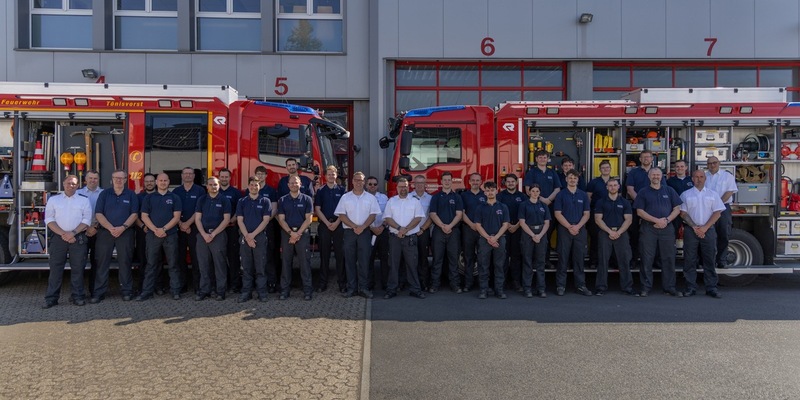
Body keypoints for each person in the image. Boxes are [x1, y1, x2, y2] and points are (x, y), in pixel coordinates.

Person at [42, 175, 92, 308]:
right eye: (69, 183)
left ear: (78, 186)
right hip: (59, 238)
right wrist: (64, 234)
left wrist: (72, 233)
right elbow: (49, 219)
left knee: (78, 269)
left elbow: (86, 220)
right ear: (63, 184)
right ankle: (51, 298)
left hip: (77, 237)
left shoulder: (84, 200)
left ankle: (78, 297)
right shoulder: (54, 200)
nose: (71, 186)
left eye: (74, 184)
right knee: (55, 269)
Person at [633, 168, 683, 297]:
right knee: (646, 258)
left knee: (668, 258)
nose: (656, 177)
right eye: (653, 174)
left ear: (662, 177)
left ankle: (669, 287)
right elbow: (640, 212)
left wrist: (666, 220)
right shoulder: (643, 192)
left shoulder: (669, 190)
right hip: (648, 228)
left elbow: (677, 209)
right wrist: (656, 220)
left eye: (658, 175)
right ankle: (645, 287)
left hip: (667, 228)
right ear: (649, 177)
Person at [92, 170, 139, 303]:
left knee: (125, 262)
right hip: (105, 232)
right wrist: (110, 228)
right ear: (111, 179)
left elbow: (134, 214)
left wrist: (122, 227)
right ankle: (99, 292)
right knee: (102, 262)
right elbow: (98, 213)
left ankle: (127, 291)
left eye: (121, 178)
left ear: (125, 180)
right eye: (116, 178)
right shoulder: (104, 194)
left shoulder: (131, 194)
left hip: (125, 232)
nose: (118, 180)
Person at [334, 172, 381, 299]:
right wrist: (355, 226)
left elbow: (373, 215)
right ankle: (352, 289)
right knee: (349, 261)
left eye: (361, 180)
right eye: (356, 180)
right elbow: (341, 215)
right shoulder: (345, 197)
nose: (358, 182)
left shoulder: (370, 198)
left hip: (365, 232)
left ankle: (364, 288)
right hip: (350, 233)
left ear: (364, 182)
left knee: (364, 261)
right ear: (352, 182)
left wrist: (363, 227)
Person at [680, 169, 725, 298]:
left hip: (708, 230)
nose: (698, 179)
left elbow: (717, 213)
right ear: (692, 179)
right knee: (689, 259)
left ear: (705, 179)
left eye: (701, 177)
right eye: (696, 177)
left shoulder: (713, 194)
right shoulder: (685, 195)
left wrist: (705, 228)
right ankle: (690, 287)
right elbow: (683, 213)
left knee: (709, 259)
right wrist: (695, 227)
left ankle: (711, 288)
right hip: (691, 230)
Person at [137, 173, 182, 301]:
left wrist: (164, 229)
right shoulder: (149, 198)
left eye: (165, 180)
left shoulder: (175, 197)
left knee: (173, 264)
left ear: (169, 182)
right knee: (151, 264)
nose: (163, 182)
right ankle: (147, 292)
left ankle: (175, 291)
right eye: (160, 180)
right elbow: (144, 216)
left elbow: (176, 217)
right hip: (153, 235)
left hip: (170, 235)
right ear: (157, 182)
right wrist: (155, 230)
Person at [382, 177, 426, 299]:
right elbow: (388, 218)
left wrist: (405, 230)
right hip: (395, 238)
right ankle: (391, 290)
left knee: (412, 265)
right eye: (401, 186)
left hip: (410, 238)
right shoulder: (391, 201)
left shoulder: (415, 201)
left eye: (405, 186)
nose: (403, 189)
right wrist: (399, 228)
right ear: (397, 188)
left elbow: (418, 218)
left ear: (409, 187)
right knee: (393, 265)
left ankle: (415, 290)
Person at [593, 178, 637, 296]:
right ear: (607, 187)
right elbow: (598, 219)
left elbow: (628, 220)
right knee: (603, 260)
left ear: (618, 187)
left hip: (621, 233)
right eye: (610, 185)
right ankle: (600, 287)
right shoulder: (601, 202)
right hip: (605, 233)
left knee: (624, 260)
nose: (612, 187)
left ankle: (627, 287)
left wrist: (618, 232)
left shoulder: (625, 202)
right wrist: (609, 231)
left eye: (614, 185)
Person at [553, 169, 592, 296]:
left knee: (579, 259)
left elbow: (586, 214)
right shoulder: (560, 195)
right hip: (565, 230)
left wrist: (578, 226)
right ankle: (560, 286)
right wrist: (569, 226)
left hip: (580, 230)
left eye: (575, 178)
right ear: (566, 179)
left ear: (578, 180)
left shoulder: (583, 195)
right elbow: (557, 214)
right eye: (570, 178)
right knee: (563, 258)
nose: (572, 180)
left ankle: (580, 285)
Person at [277, 175, 315, 300]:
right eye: (291, 183)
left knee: (305, 263)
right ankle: (284, 290)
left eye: (296, 182)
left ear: (300, 184)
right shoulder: (282, 200)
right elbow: (281, 219)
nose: (294, 185)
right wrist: (291, 233)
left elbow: (309, 219)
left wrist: (297, 233)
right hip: (287, 234)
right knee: (286, 262)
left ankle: (307, 290)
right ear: (288, 185)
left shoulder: (307, 199)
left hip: (302, 234)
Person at [193, 176, 231, 301]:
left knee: (219, 265)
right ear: (207, 186)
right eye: (210, 184)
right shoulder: (201, 200)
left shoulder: (224, 200)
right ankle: (205, 290)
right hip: (202, 236)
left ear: (218, 185)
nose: (213, 187)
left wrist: (213, 234)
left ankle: (221, 291)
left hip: (218, 236)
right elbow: (197, 218)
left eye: (215, 184)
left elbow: (226, 220)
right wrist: (204, 234)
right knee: (203, 265)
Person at [236, 176, 272, 302]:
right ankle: (246, 292)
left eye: (256, 185)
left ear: (259, 186)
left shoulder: (265, 201)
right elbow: (239, 220)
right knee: (246, 267)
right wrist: (247, 236)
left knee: (260, 267)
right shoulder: (242, 201)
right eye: (251, 185)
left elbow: (265, 220)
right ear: (248, 186)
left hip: (259, 237)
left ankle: (262, 292)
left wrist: (252, 235)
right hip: (245, 237)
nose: (253, 187)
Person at [523, 150, 561, 267]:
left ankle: (546, 260)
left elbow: (557, 189)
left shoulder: (552, 173)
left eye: (544, 157)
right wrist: (541, 199)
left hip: (550, 207)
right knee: (535, 234)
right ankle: (534, 261)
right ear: (536, 159)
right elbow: (527, 189)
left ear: (548, 159)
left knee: (547, 235)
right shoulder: (531, 172)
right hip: (535, 207)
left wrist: (549, 200)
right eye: (540, 157)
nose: (542, 159)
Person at [428, 172, 464, 293]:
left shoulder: (457, 197)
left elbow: (459, 214)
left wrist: (450, 226)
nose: (447, 182)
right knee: (437, 259)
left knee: (453, 260)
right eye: (445, 180)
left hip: (453, 231)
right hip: (439, 231)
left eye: (449, 180)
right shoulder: (436, 197)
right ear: (441, 182)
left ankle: (455, 285)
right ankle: (434, 285)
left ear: (452, 181)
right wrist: (443, 226)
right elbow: (433, 214)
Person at [474, 181, 510, 299]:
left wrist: (495, 237)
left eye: (492, 190)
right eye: (488, 190)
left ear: (496, 191)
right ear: (484, 192)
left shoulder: (503, 207)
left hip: (500, 239)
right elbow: (478, 225)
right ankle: (483, 290)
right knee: (483, 266)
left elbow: (505, 224)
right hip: (484, 240)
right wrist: (488, 238)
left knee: (499, 266)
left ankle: (499, 290)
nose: (490, 192)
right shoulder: (480, 207)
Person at [172, 167, 204, 294]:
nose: (188, 176)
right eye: (186, 173)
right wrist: (181, 224)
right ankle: (182, 285)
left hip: (195, 228)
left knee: (196, 258)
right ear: (182, 175)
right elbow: (173, 210)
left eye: (190, 174)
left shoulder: (200, 190)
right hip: (179, 228)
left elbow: (199, 210)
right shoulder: (176, 191)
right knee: (180, 258)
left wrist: (188, 224)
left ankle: (197, 286)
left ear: (194, 176)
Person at [314, 165, 345, 292]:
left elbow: (344, 209)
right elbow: (317, 209)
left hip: (339, 224)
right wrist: (327, 223)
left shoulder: (342, 190)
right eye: (329, 174)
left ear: (336, 175)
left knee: (340, 255)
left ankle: (342, 283)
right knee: (324, 255)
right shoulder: (321, 191)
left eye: (333, 174)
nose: (331, 176)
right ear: (325, 176)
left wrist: (337, 222)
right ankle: (323, 283)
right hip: (325, 225)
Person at [704, 156, 737, 271]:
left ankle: (721, 260)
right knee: (709, 235)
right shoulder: (704, 177)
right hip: (707, 209)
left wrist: (718, 205)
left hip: (723, 208)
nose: (712, 165)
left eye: (714, 163)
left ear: (719, 163)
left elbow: (729, 192)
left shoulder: (727, 176)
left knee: (723, 234)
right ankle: (709, 261)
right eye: (709, 163)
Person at [518, 184, 551, 298]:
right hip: (528, 234)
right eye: (533, 191)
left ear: (539, 192)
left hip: (541, 234)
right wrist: (533, 235)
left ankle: (541, 289)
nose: (535, 193)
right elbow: (522, 222)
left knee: (540, 262)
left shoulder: (543, 205)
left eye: (537, 191)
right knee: (527, 262)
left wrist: (540, 235)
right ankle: (527, 288)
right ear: (529, 192)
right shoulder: (523, 205)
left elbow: (547, 222)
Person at [497, 173, 526, 291]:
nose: (510, 183)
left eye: (512, 181)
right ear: (505, 183)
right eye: (508, 181)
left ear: (516, 182)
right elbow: (498, 212)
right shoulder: (500, 196)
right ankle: (502, 282)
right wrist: (507, 225)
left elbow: (525, 214)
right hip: (504, 229)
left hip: (518, 229)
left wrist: (516, 226)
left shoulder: (523, 196)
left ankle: (516, 282)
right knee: (503, 256)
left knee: (516, 256)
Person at [255, 165, 280, 293]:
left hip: (268, 226)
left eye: (262, 174)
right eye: (258, 174)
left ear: (266, 176)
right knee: (256, 256)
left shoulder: (271, 191)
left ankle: (272, 283)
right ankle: (258, 283)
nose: (260, 176)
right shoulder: (251, 190)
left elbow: (274, 209)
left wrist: (265, 222)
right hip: (253, 228)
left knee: (269, 255)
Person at [460, 173, 486, 291]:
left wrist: (479, 226)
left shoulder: (485, 195)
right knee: (468, 257)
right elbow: (462, 213)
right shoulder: (464, 195)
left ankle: (482, 284)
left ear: (481, 182)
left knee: (483, 258)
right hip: (468, 229)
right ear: (469, 182)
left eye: (477, 180)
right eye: (473, 180)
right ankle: (468, 284)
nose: (475, 182)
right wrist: (471, 224)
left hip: (482, 230)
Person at [218, 168, 243, 294]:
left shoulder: (236, 193)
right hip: (218, 231)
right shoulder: (215, 191)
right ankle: (223, 283)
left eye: (226, 177)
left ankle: (235, 284)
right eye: (222, 177)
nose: (224, 179)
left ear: (230, 178)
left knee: (233, 257)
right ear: (219, 178)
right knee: (219, 257)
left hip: (231, 228)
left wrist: (231, 220)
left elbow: (239, 209)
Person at [77, 170, 101, 296]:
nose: (93, 180)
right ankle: (78, 293)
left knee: (96, 263)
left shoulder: (104, 194)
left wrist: (95, 227)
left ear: (98, 180)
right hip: (81, 232)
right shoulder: (77, 193)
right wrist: (86, 228)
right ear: (85, 180)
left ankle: (94, 291)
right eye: (90, 178)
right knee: (79, 263)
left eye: (95, 178)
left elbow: (106, 213)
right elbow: (74, 214)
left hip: (98, 232)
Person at [586, 159, 613, 268]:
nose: (605, 169)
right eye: (603, 168)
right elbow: (588, 197)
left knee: (610, 237)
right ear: (599, 169)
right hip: (596, 213)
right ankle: (593, 261)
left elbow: (618, 197)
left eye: (607, 167)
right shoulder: (594, 182)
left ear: (610, 169)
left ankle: (609, 261)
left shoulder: (615, 182)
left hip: (610, 214)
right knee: (595, 237)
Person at [134, 173, 157, 294]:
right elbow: (134, 215)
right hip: (143, 232)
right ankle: (142, 286)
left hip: (158, 233)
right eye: (147, 181)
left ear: (155, 182)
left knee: (157, 259)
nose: (149, 183)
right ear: (144, 183)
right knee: (143, 259)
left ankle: (158, 286)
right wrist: (143, 226)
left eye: (151, 181)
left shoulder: (160, 196)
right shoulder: (138, 197)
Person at [366, 176, 390, 291]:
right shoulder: (363, 198)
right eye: (370, 184)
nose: (372, 186)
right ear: (366, 185)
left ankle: (385, 284)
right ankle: (370, 284)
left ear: (378, 186)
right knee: (369, 258)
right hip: (369, 231)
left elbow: (388, 214)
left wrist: (382, 226)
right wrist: (372, 228)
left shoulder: (384, 198)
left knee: (385, 258)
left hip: (383, 231)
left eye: (374, 184)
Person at [411, 175, 433, 292]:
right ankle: (410, 282)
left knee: (423, 258)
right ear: (414, 185)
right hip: (410, 232)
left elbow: (431, 216)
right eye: (417, 183)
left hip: (423, 231)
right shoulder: (409, 197)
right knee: (410, 258)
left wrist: (423, 229)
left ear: (425, 185)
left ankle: (424, 282)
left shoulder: (430, 198)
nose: (420, 185)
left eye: (422, 183)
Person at [666, 160, 694, 234]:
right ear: (675, 168)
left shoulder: (692, 180)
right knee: (674, 231)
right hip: (675, 210)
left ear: (686, 167)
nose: (679, 168)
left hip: (689, 210)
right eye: (677, 166)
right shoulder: (669, 181)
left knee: (691, 230)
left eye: (682, 166)